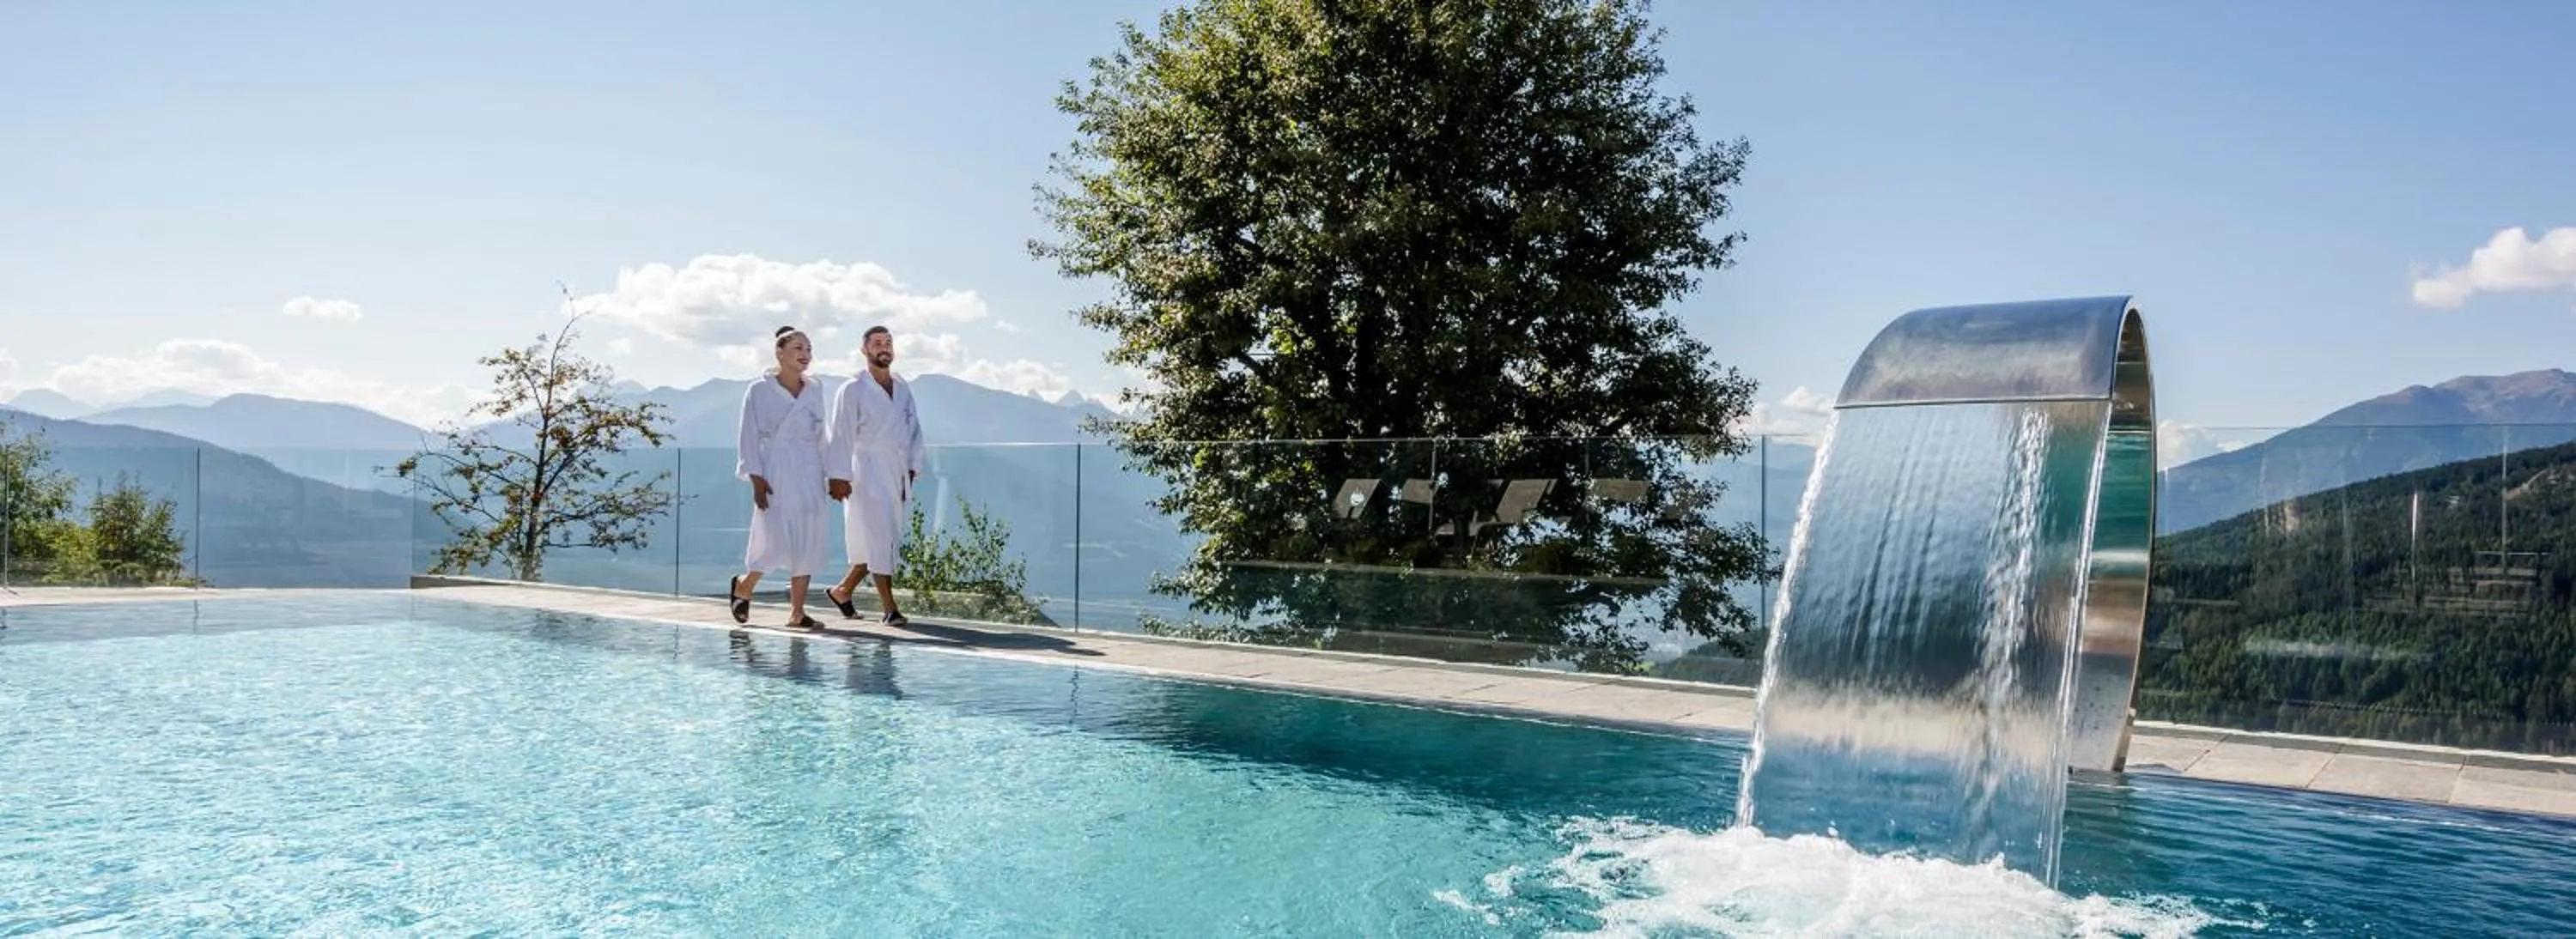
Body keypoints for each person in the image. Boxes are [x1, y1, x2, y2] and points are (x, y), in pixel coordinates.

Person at [727, 326, 833, 630]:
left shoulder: (815, 389)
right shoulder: (759, 390)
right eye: (799, 348)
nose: (805, 355)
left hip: (810, 468)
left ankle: (797, 613)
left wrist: (832, 473)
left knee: (808, 535)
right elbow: (748, 434)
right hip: (776, 468)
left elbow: (822, 434)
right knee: (774, 534)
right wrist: (755, 476)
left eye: (809, 349)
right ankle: (745, 586)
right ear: (780, 353)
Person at [823, 324, 926, 625]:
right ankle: (889, 608)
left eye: (889, 343)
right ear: (864, 350)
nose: (885, 348)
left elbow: (914, 430)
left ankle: (842, 591)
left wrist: (911, 469)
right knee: (879, 536)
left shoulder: (902, 387)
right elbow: (840, 433)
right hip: (864, 470)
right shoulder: (852, 388)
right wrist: (838, 475)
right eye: (878, 343)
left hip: (895, 470)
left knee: (884, 537)